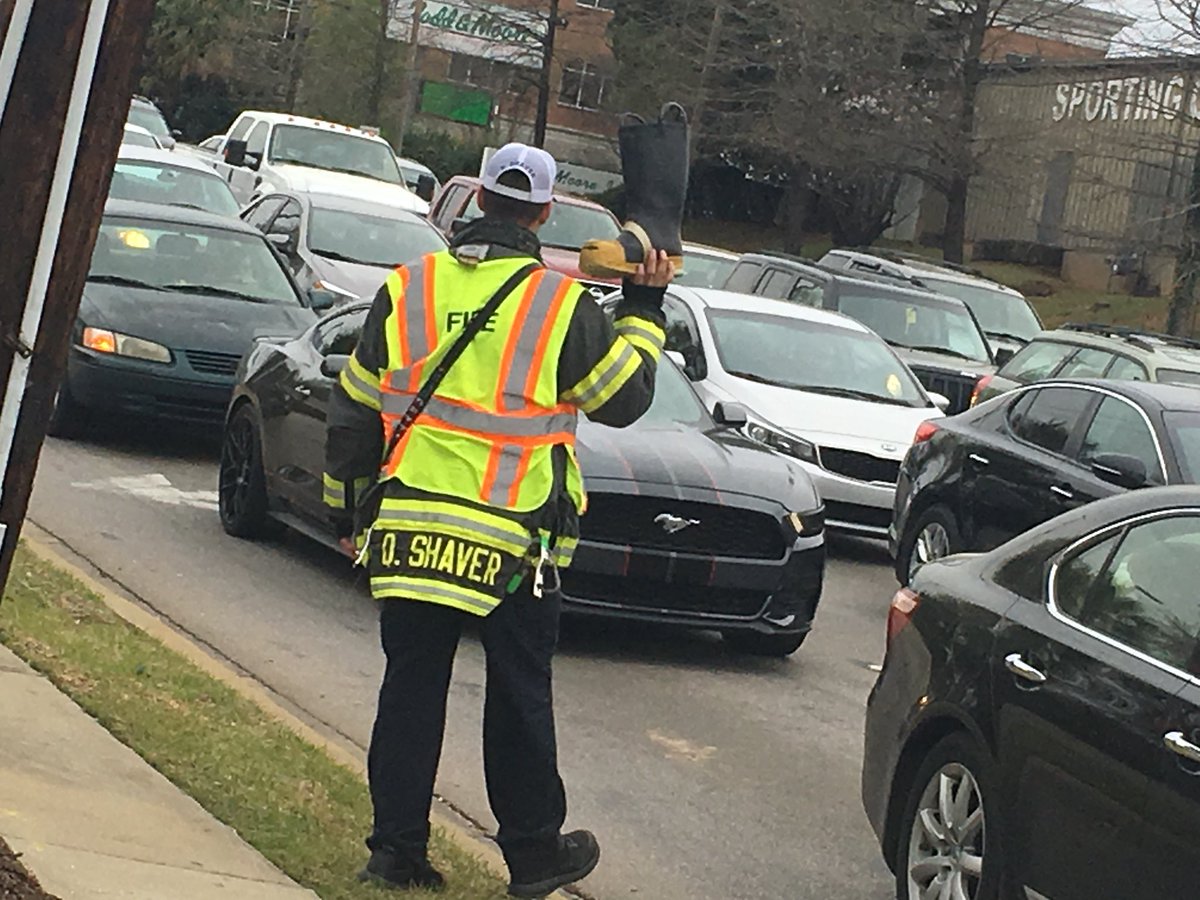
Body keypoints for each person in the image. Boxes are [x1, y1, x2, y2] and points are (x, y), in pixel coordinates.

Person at [323, 142, 674, 897]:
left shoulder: (410, 285)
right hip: (515, 538)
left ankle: (394, 853)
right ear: (544, 214)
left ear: (478, 199)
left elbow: (353, 404)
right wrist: (644, 308)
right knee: (517, 692)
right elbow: (626, 398)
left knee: (410, 688)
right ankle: (533, 853)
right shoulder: (559, 303)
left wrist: (345, 509)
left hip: (413, 524)